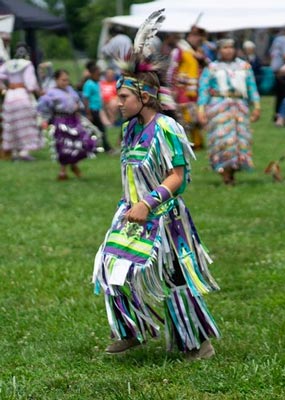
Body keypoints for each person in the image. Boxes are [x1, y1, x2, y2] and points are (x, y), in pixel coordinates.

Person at [93, 9, 220, 359]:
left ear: (144, 97)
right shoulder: (130, 127)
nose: (117, 103)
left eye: (124, 98)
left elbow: (179, 176)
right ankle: (131, 330)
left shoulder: (165, 128)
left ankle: (196, 342)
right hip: (130, 212)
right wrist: (132, 205)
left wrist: (147, 203)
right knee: (111, 266)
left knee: (175, 277)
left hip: (163, 215)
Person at [197, 38, 261, 185]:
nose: (228, 50)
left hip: (239, 106)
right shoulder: (212, 67)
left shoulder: (244, 66)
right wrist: (201, 109)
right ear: (219, 50)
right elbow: (204, 90)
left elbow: (252, 87)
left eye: (231, 47)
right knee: (223, 141)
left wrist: (257, 106)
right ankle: (225, 174)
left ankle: (232, 172)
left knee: (239, 142)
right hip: (219, 107)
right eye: (225, 48)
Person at [37, 69, 97, 180]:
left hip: (74, 120)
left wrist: (78, 109)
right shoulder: (50, 93)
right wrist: (45, 120)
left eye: (67, 80)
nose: (66, 82)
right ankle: (63, 172)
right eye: (63, 80)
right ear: (56, 80)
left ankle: (74, 165)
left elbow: (78, 102)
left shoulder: (70, 90)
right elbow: (43, 107)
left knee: (81, 143)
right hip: (61, 121)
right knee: (64, 146)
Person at [0, 43, 42, 161]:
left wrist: (4, 88)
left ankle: (14, 152)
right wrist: (36, 91)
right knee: (26, 124)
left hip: (9, 96)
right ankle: (24, 151)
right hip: (22, 95)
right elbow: (30, 84)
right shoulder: (27, 65)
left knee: (11, 123)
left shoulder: (8, 64)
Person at [167, 25, 207, 150]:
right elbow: (171, 69)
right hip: (182, 90)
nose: (197, 39)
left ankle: (197, 143)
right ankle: (181, 144)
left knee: (196, 118)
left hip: (196, 90)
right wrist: (172, 87)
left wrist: (202, 59)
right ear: (189, 36)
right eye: (194, 36)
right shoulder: (179, 50)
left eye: (199, 36)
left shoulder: (199, 52)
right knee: (186, 118)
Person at [82, 64, 113, 153]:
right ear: (92, 74)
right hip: (92, 110)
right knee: (101, 129)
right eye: (97, 74)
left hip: (97, 109)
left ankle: (92, 148)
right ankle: (107, 148)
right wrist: (88, 113)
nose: (99, 76)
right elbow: (85, 99)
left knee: (94, 131)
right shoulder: (89, 84)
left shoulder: (97, 83)